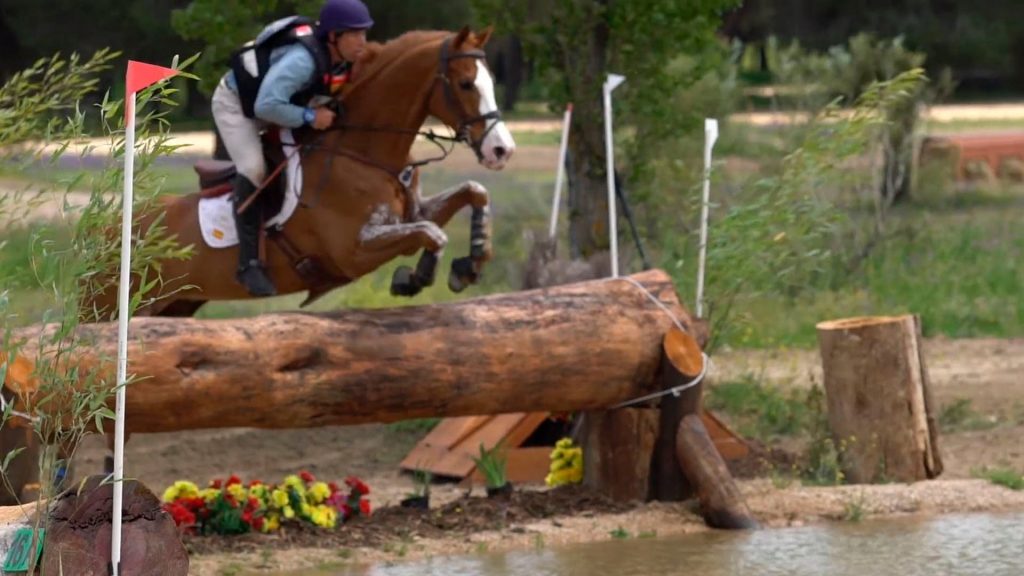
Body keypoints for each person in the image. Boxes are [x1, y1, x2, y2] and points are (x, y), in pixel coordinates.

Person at [211, 0, 373, 297]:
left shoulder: (344, 57)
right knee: (254, 169)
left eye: (365, 33)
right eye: (355, 34)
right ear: (335, 36)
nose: (363, 41)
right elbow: (266, 105)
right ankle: (249, 264)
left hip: (282, 104)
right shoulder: (303, 61)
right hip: (239, 107)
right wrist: (311, 117)